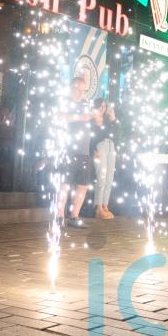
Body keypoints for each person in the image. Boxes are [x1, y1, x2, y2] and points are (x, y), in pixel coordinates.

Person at [55, 76, 103, 228]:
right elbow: (59, 117)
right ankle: (59, 216)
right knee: (65, 183)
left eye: (83, 90)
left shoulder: (86, 104)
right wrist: (81, 117)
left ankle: (74, 216)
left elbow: (98, 124)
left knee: (83, 184)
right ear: (71, 88)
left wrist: (98, 117)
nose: (81, 93)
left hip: (84, 151)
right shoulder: (65, 102)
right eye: (78, 89)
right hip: (68, 149)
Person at [91, 98, 118, 219]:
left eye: (104, 106)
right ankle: (98, 208)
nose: (103, 108)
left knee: (109, 177)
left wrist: (113, 120)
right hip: (100, 146)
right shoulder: (92, 119)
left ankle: (105, 205)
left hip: (111, 146)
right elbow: (91, 137)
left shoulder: (108, 121)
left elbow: (115, 134)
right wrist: (93, 150)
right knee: (101, 177)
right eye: (100, 106)